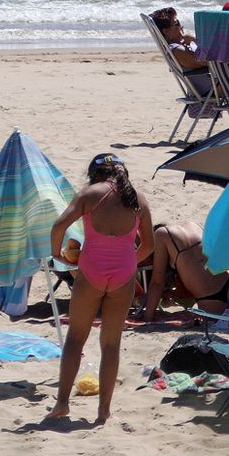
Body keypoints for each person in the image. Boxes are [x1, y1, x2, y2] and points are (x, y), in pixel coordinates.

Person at [47, 153, 154, 426]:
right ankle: (104, 411)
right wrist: (128, 261)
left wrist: (57, 254)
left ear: (95, 174)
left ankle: (62, 403)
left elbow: (59, 225)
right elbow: (149, 246)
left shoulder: (90, 194)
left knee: (75, 339)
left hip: (91, 270)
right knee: (111, 343)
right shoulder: (138, 199)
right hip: (124, 275)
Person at [142, 221, 229, 324]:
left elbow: (157, 283)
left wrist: (146, 319)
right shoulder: (193, 225)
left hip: (212, 301)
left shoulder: (160, 235)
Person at [151, 6, 212, 96]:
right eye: (177, 23)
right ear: (166, 31)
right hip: (210, 90)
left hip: (214, 85)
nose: (181, 26)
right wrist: (195, 40)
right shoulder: (176, 50)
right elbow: (210, 62)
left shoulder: (184, 44)